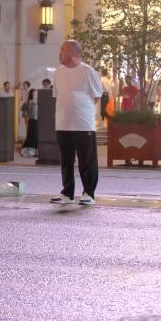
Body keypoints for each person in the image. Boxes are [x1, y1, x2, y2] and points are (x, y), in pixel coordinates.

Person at [50, 40, 103, 206]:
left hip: (82, 124)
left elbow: (97, 95)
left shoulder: (87, 71)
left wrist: (83, 111)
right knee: (66, 160)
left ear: (73, 53)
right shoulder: (58, 72)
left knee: (86, 160)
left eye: (62, 50)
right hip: (63, 123)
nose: (59, 53)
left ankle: (89, 193)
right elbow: (57, 95)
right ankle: (67, 193)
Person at [20, 87, 38, 157]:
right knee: (31, 136)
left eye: (36, 93)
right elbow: (24, 114)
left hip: (38, 121)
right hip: (31, 121)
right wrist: (26, 121)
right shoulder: (28, 102)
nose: (36, 94)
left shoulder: (38, 102)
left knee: (36, 137)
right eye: (35, 93)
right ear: (32, 94)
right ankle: (24, 150)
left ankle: (36, 152)